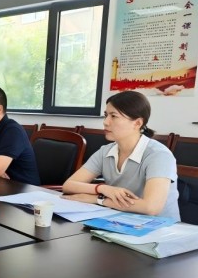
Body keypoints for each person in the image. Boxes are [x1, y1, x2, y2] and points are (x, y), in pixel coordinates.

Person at [62, 90, 180, 220]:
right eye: (106, 115)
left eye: (114, 116)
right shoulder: (105, 151)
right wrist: (102, 189)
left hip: (160, 227)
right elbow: (69, 185)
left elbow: (151, 207)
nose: (106, 122)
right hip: (120, 220)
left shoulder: (159, 155)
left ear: (137, 123)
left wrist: (98, 199)